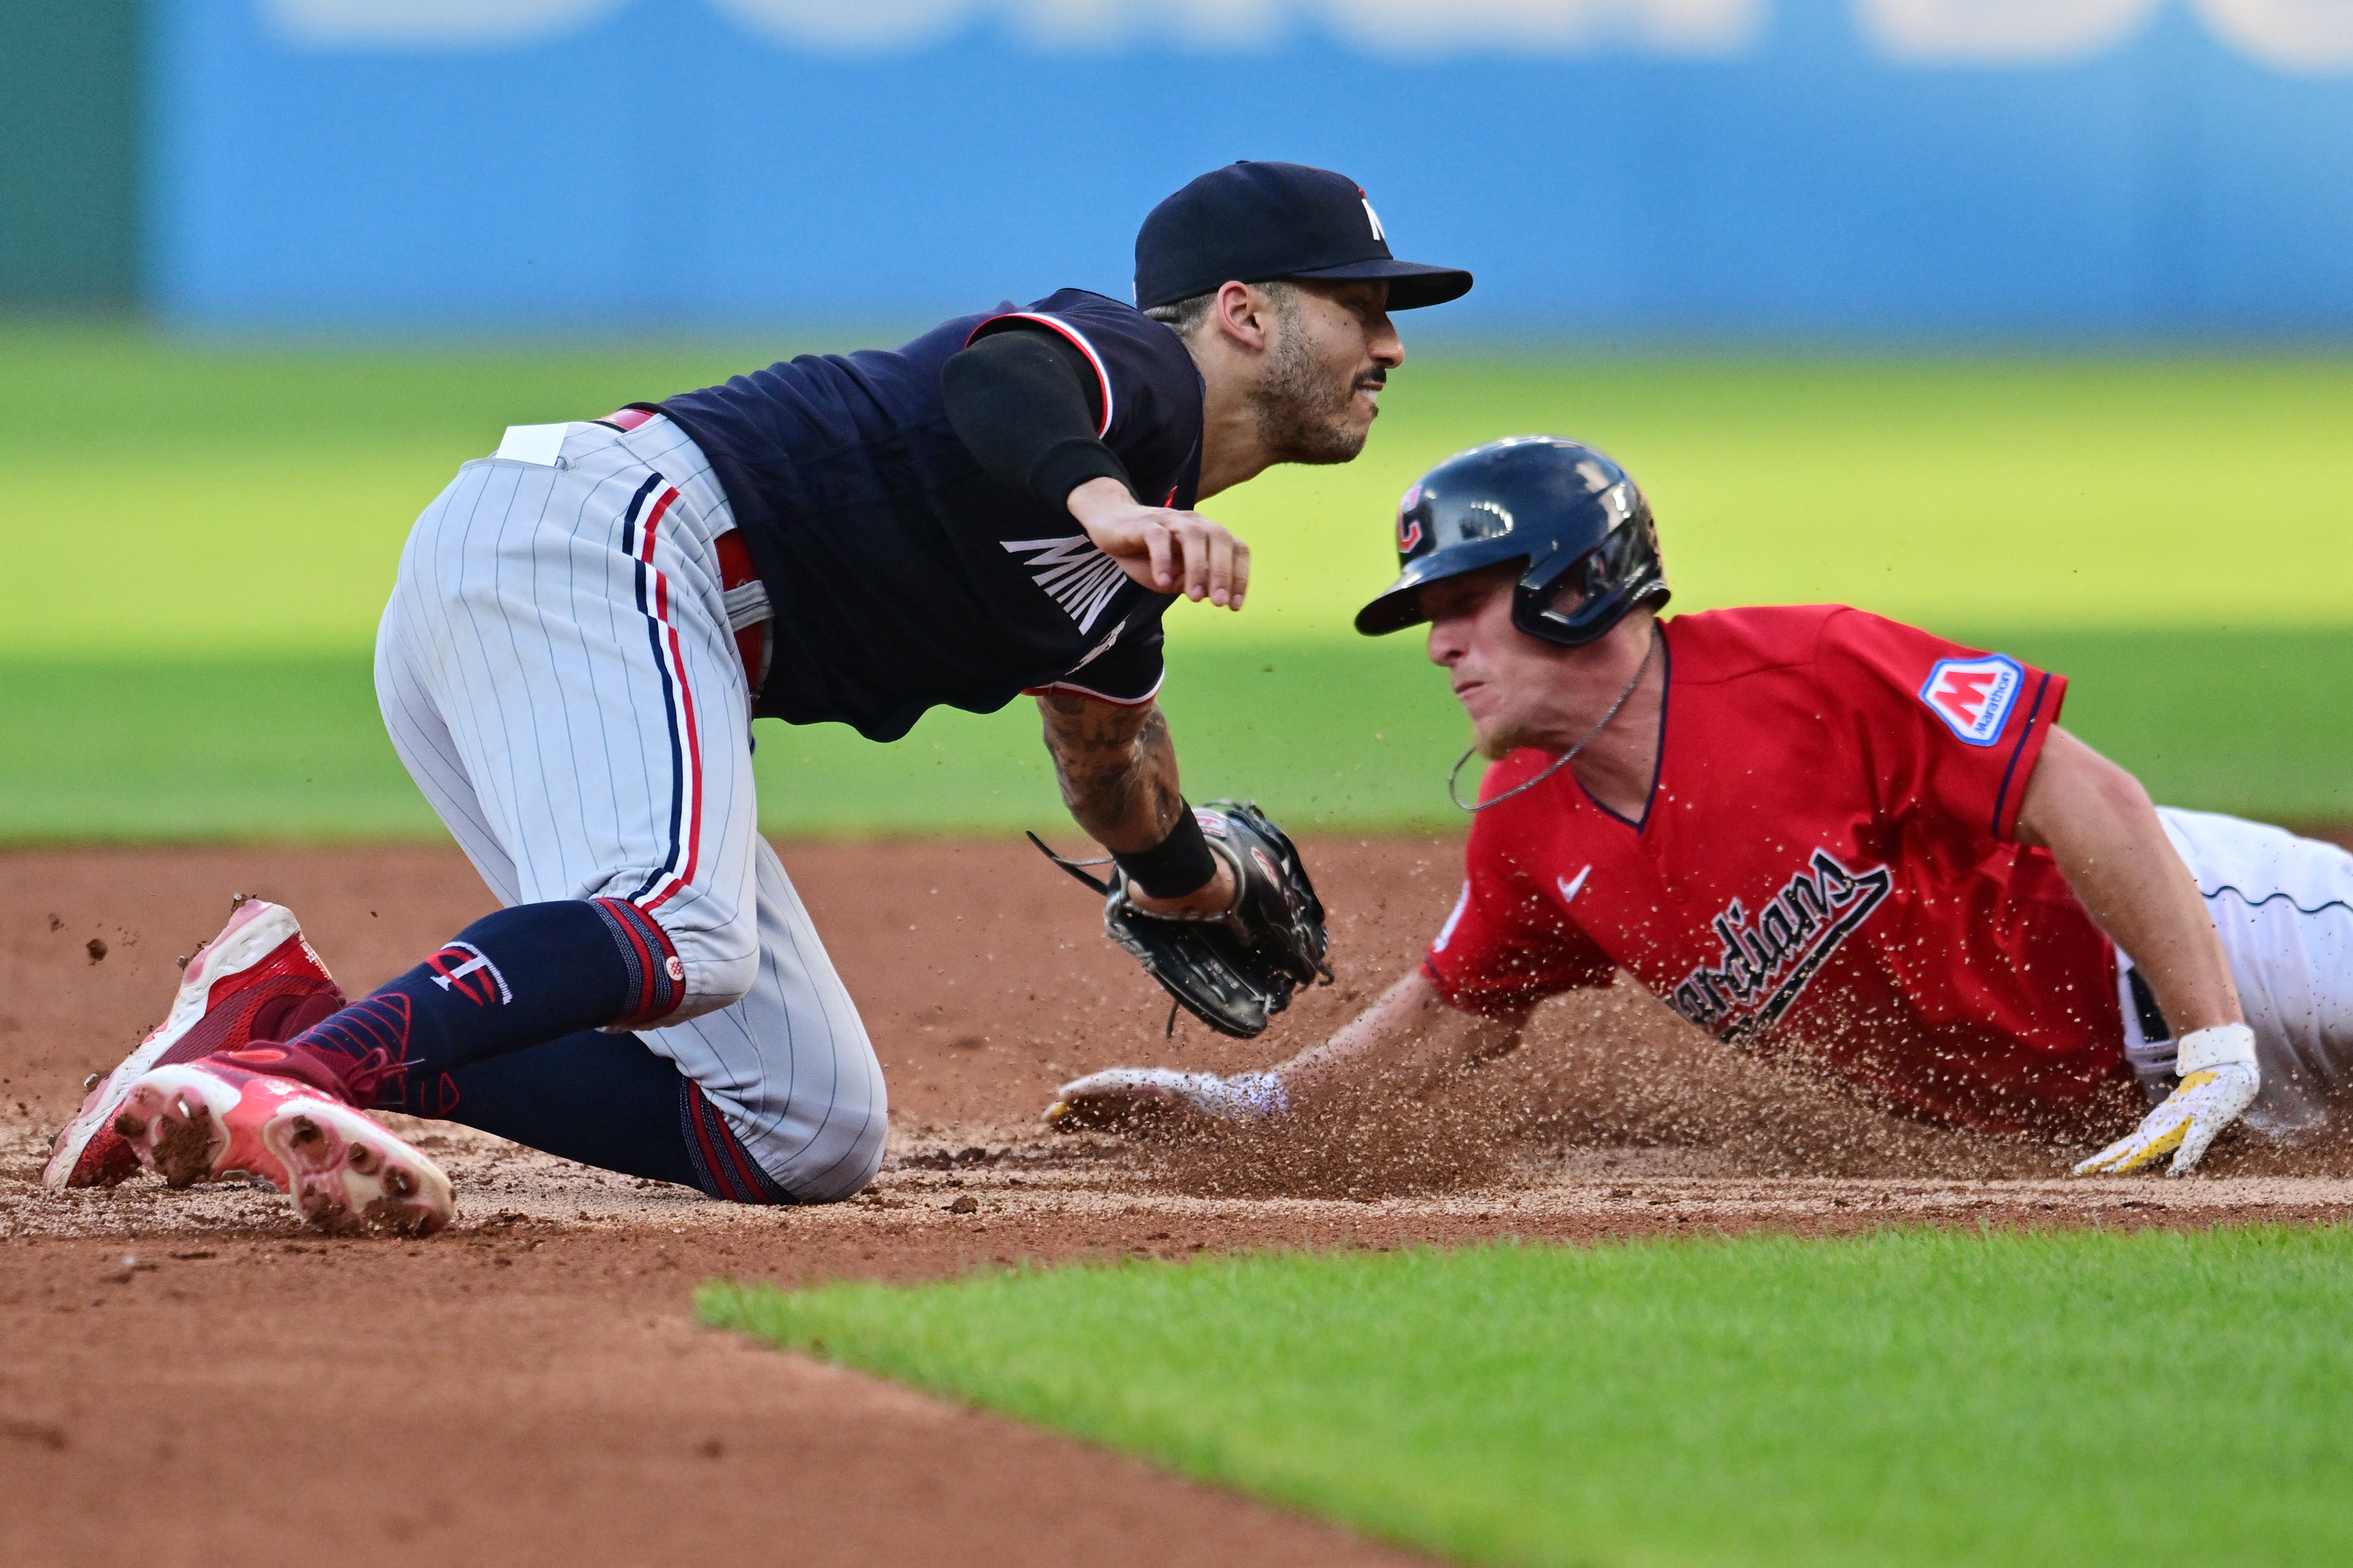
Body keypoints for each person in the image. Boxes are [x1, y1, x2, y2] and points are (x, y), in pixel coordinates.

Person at [42, 162, 1472, 1232]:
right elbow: (1007, 382)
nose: (1391, 348)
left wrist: (1194, 884)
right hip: (607, 537)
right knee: (680, 921)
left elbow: (1109, 764)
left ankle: (274, 1020)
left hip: (588, 610)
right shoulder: (1130, 377)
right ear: (1241, 311)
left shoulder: (1123, 583)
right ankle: (296, 1073)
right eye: (1361, 309)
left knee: (806, 1130)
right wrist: (1098, 494)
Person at [1049, 435, 2353, 1176]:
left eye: (1464, 602)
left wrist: (2213, 1041)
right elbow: (1449, 1019)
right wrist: (1257, 1107)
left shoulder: (1802, 669)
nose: (1440, 643)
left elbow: (2086, 790)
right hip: (2100, 1106)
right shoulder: (1529, 824)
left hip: (2219, 945)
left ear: (1572, 578)